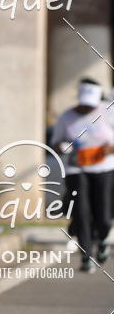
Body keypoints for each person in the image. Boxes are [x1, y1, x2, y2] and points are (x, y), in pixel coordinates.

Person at [50, 78, 114, 273]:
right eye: (84, 106)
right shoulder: (66, 117)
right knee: (82, 212)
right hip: (76, 169)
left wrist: (105, 150)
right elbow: (55, 143)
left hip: (103, 168)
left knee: (103, 215)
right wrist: (63, 147)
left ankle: (102, 240)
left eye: (90, 106)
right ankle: (86, 256)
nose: (87, 110)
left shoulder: (108, 112)